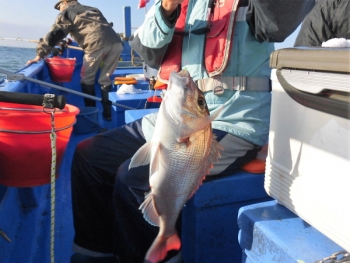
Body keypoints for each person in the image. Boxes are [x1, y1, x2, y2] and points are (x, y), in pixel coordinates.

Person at [70, 0, 315, 262]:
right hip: (177, 115)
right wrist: (166, 8)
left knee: (134, 180)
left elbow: (279, 21)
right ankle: (95, 254)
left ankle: (164, 256)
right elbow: (147, 52)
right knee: (89, 156)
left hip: (234, 120)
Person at [26, 0, 123, 121]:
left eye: (60, 6)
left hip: (96, 45)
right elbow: (95, 27)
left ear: (65, 2)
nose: (60, 9)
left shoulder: (67, 12)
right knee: (105, 79)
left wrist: (39, 55)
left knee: (87, 80)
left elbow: (55, 33)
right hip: (116, 43)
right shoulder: (92, 9)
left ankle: (91, 114)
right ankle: (108, 115)